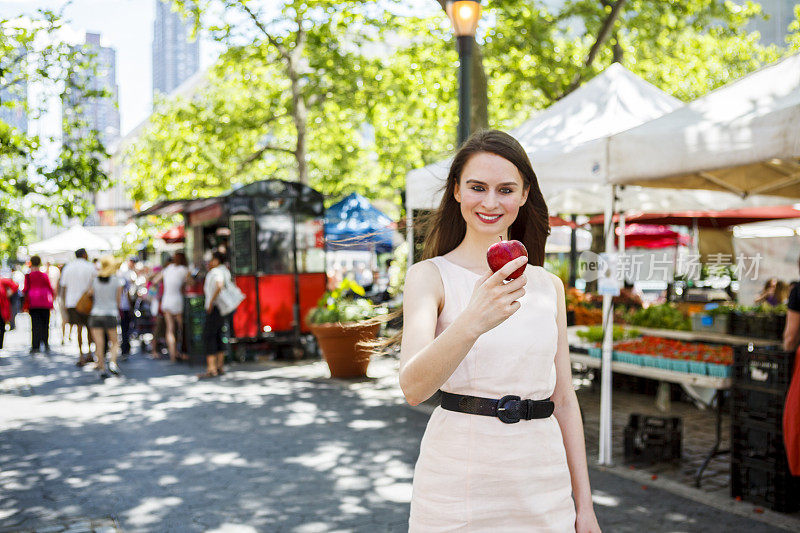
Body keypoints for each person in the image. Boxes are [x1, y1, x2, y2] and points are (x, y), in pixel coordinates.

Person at [399, 130, 600, 532]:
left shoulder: (548, 286)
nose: (490, 202)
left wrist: (585, 506)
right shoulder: (429, 277)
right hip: (457, 481)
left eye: (506, 189)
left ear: (524, 194)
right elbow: (413, 388)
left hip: (543, 480)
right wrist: (472, 321)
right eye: (477, 187)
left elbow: (563, 398)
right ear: (457, 191)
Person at [86, 256, 123, 379]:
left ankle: (102, 367)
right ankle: (113, 362)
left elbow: (89, 293)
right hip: (111, 313)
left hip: (96, 313)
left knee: (99, 343)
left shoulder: (95, 280)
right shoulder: (117, 280)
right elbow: (118, 300)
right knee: (115, 341)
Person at [149, 252, 190, 362]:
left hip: (166, 300)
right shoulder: (184, 269)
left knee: (170, 329)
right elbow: (191, 283)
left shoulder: (168, 269)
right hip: (177, 300)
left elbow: (154, 281)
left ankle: (172, 355)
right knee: (182, 328)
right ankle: (184, 351)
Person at [59, 248, 97, 366]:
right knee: (89, 328)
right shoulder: (90, 267)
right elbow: (95, 285)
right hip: (87, 302)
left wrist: (63, 303)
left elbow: (63, 287)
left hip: (71, 302)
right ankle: (90, 353)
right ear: (85, 255)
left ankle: (81, 355)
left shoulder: (68, 268)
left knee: (79, 329)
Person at [197, 251, 231, 379]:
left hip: (215, 308)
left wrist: (211, 302)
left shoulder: (216, 272)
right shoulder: (225, 270)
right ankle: (219, 366)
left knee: (209, 335)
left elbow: (219, 285)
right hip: (221, 308)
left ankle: (211, 368)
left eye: (212, 259)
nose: (210, 262)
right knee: (218, 335)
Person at [23, 255, 55, 354]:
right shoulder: (44, 275)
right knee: (45, 324)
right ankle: (45, 343)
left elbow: (25, 289)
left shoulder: (28, 276)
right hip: (45, 302)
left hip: (33, 302)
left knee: (35, 324)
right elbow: (50, 287)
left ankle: (35, 346)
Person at [0, 274, 19, 351]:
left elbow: (15, 286)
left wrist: (9, 293)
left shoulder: (2, 280)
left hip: (2, 308)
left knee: (1, 326)